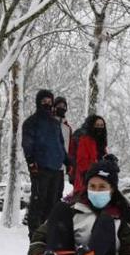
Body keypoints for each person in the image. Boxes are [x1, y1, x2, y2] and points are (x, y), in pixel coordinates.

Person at [28, 159, 130, 255]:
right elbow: (39, 238)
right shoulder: (73, 209)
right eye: (92, 187)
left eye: (102, 187)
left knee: (106, 221)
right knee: (60, 208)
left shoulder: (121, 217)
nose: (97, 191)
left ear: (112, 189)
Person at [21, 89, 68, 240]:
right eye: (44, 101)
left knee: (53, 203)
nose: (47, 104)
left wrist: (67, 160)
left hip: (56, 169)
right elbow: (27, 144)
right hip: (40, 169)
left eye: (49, 101)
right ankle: (35, 235)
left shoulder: (55, 124)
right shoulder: (31, 122)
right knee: (38, 202)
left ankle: (49, 234)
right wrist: (31, 163)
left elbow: (60, 144)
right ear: (38, 102)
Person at [70, 115, 109, 193]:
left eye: (102, 125)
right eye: (97, 125)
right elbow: (82, 162)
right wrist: (95, 168)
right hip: (85, 178)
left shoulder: (101, 142)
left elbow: (102, 157)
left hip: (99, 179)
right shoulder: (85, 140)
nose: (100, 128)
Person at [53, 97, 72, 162]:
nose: (62, 108)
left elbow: (69, 147)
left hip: (62, 165)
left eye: (64, 106)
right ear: (54, 107)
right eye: (59, 105)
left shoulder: (67, 128)